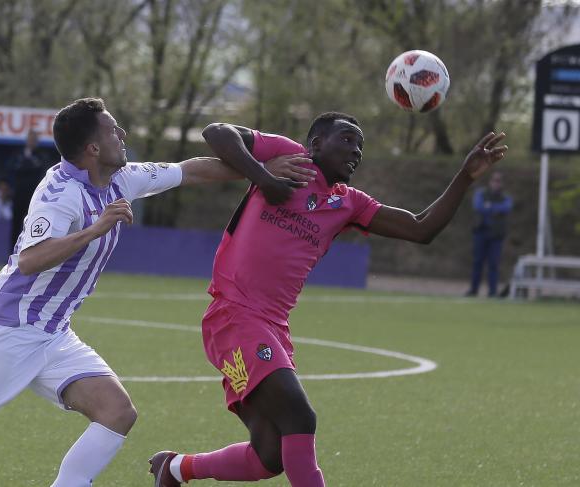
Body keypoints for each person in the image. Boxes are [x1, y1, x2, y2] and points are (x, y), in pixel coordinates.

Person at [0, 97, 299, 487]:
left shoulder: (121, 178)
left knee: (117, 413)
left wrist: (259, 172)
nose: (122, 134)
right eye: (112, 129)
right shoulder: (59, 192)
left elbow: (190, 171)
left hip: (54, 335)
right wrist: (97, 227)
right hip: (7, 330)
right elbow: (30, 259)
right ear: (92, 148)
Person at [149, 113, 508, 487]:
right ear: (316, 144)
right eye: (347, 139)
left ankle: (176, 469)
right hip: (234, 316)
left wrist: (465, 176)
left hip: (273, 328)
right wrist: (265, 178)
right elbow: (217, 132)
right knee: (299, 416)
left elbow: (421, 228)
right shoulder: (291, 157)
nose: (356, 150)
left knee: (269, 456)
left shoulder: (349, 203)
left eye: (361, 146)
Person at [7, 129, 56, 251]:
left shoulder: (42, 155)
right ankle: (12, 253)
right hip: (18, 195)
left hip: (35, 196)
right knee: (16, 225)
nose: (32, 142)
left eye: (34, 139)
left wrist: (25, 166)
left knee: (33, 224)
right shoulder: (18, 154)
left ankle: (30, 252)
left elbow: (43, 170)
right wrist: (29, 166)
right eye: (30, 139)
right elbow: (11, 167)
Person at [466, 171, 512, 297]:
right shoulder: (481, 193)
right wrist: (495, 209)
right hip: (481, 232)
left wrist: (489, 207)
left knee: (493, 264)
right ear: (490, 182)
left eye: (499, 181)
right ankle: (473, 289)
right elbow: (478, 206)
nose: (496, 184)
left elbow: (506, 208)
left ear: (501, 184)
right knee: (477, 262)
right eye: (494, 181)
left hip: (496, 235)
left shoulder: (505, 197)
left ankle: (492, 291)